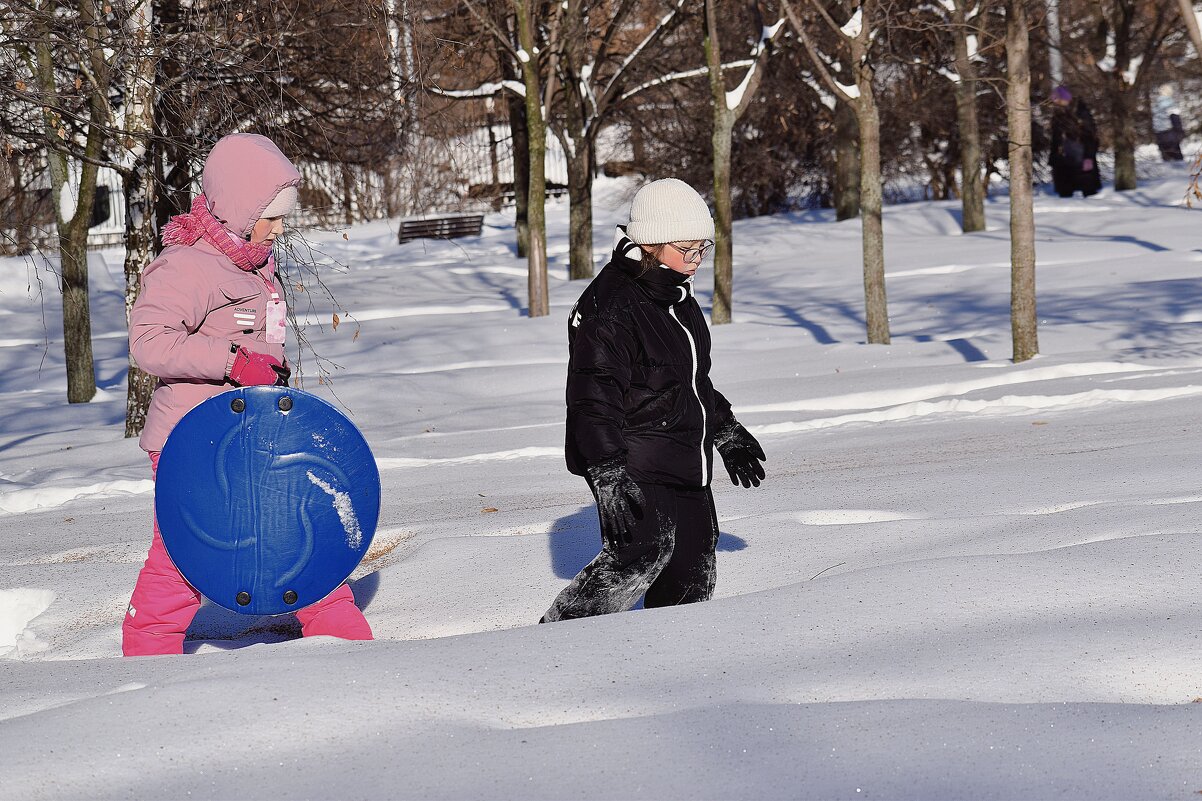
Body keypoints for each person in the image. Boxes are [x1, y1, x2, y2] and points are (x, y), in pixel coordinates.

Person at [123, 133, 373, 656]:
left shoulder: (254, 263)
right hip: (196, 442)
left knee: (294, 527)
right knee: (184, 555)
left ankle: (346, 643)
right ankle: (145, 656)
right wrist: (232, 359)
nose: (280, 227)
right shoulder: (185, 266)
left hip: (255, 433)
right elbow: (148, 343)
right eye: (271, 214)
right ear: (238, 206)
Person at [540, 178, 766, 623]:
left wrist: (724, 428)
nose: (697, 261)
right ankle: (554, 641)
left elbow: (687, 380)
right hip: (632, 456)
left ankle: (667, 659)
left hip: (683, 455)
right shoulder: (613, 306)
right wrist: (606, 470)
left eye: (704, 249)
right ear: (650, 243)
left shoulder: (676, 296)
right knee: (640, 554)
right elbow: (592, 396)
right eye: (688, 250)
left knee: (693, 567)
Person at [1049, 85, 1102, 198]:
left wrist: (1088, 155)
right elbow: (1056, 137)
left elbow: (1090, 134)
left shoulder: (1080, 112)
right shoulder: (1058, 114)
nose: (1056, 102)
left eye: (1058, 99)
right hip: (1064, 156)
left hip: (1081, 153)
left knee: (1088, 188)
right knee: (1065, 189)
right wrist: (1053, 155)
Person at [1152, 83, 1185, 162]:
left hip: (1159, 133)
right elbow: (1175, 119)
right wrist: (1180, 131)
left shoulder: (1156, 105)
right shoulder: (1171, 104)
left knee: (1166, 158)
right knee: (1177, 159)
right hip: (1170, 132)